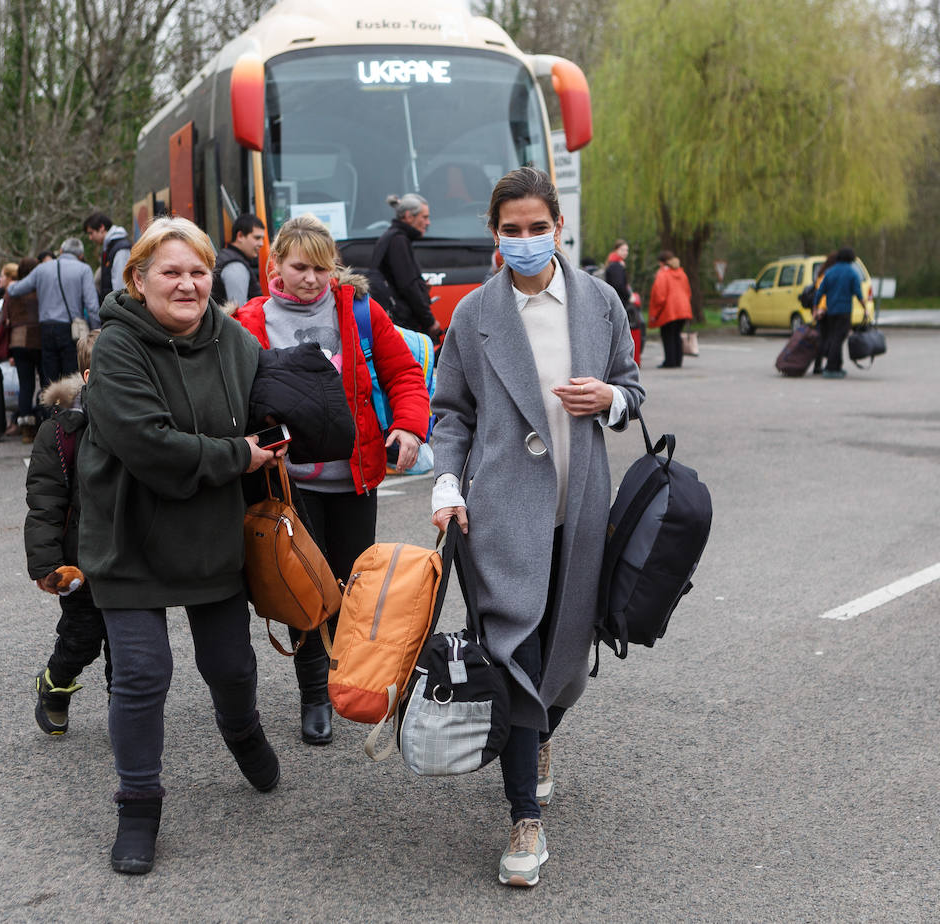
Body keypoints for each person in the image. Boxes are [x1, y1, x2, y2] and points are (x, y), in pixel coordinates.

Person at [429, 166, 644, 888]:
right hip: (500, 514)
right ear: (494, 235)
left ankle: (541, 735)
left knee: (561, 654)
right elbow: (451, 412)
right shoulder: (472, 314)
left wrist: (611, 395)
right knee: (512, 653)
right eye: (510, 229)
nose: (525, 240)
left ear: (558, 227)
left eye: (537, 227)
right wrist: (448, 483)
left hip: (578, 510)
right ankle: (524, 817)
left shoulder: (599, 301)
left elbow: (635, 387)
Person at [78, 216, 285, 875]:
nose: (189, 284)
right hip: (128, 534)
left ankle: (243, 732)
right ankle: (138, 805)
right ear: (138, 280)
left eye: (199, 271)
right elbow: (149, 447)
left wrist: (300, 415)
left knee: (229, 664)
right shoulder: (115, 347)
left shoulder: (233, 339)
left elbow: (269, 404)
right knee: (141, 673)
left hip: (210, 534)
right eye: (171, 272)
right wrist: (240, 455)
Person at [231, 214, 429, 745]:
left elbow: (404, 374)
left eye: (322, 268)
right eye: (299, 268)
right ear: (275, 266)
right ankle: (315, 692)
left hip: (353, 478)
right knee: (304, 587)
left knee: (350, 586)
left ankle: (355, 680)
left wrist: (409, 428)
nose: (312, 279)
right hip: (288, 483)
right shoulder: (250, 320)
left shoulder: (360, 310)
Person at [27, 329, 111, 735]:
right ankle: (54, 685)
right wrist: (48, 564)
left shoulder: (141, 419)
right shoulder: (60, 433)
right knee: (83, 636)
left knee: (128, 645)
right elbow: (44, 503)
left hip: (128, 554)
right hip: (79, 558)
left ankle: (126, 714)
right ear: (91, 375)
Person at [8, 237, 98, 384]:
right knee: (72, 377)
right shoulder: (84, 269)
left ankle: (52, 407)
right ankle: (70, 407)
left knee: (50, 378)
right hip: (71, 330)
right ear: (81, 255)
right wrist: (96, 331)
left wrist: (10, 284)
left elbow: (16, 290)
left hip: (46, 329)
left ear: (61, 251)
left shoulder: (42, 268)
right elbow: (92, 306)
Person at [369, 193, 440, 340]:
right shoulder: (399, 241)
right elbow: (408, 286)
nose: (428, 223)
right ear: (408, 216)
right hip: (403, 326)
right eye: (424, 217)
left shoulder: (390, 238)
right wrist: (430, 321)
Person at [0, 257, 43, 435]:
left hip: (17, 342)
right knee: (45, 382)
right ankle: (45, 421)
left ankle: (25, 428)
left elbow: (3, 318)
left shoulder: (12, 291)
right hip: (38, 340)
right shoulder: (39, 289)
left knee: (25, 385)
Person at [813, 248, 864, 379]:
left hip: (831, 311)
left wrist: (815, 307)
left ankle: (837, 366)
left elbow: (820, 292)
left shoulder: (829, 272)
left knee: (835, 337)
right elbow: (858, 293)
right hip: (844, 310)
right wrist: (865, 308)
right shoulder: (852, 273)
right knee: (838, 338)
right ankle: (830, 367)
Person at [647, 250, 692, 368]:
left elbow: (659, 296)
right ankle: (678, 360)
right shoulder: (682, 273)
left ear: (662, 263)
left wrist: (654, 313)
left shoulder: (663, 275)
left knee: (667, 335)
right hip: (683, 309)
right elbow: (688, 291)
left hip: (669, 310)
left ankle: (670, 361)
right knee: (677, 334)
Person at [211, 213, 265, 307]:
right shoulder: (235, 266)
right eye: (257, 238)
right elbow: (239, 312)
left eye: (262, 239)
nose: (261, 243)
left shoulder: (228, 256)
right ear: (240, 236)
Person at [602, 239, 642, 364]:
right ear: (616, 250)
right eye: (623, 250)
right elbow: (619, 285)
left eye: (627, 250)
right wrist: (628, 296)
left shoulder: (614, 264)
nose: (626, 253)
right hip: (620, 302)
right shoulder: (616, 266)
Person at [83, 212, 132, 304]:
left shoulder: (120, 249)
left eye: (91, 233)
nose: (90, 238)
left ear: (101, 228)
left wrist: (118, 311)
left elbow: (121, 287)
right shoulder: (110, 247)